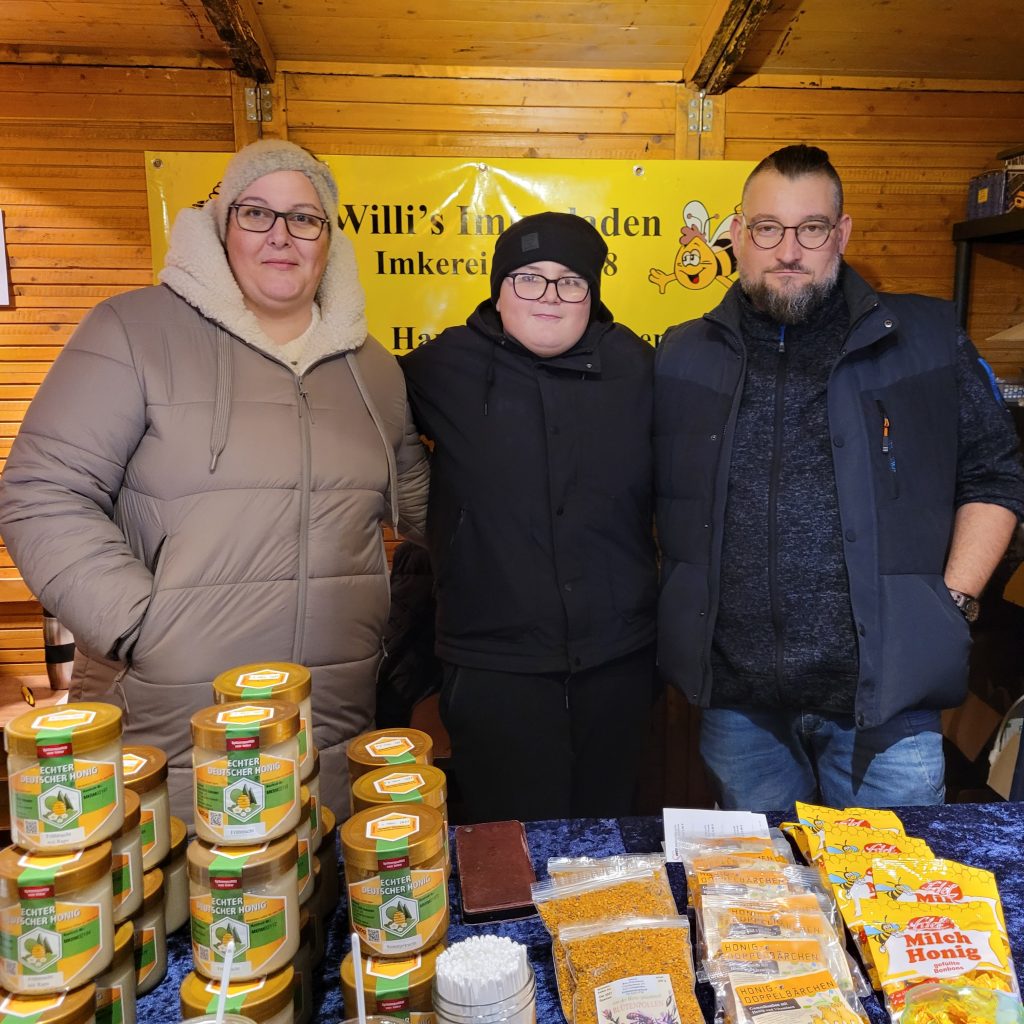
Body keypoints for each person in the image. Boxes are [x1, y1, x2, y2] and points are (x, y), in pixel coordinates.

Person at [0, 139, 428, 821]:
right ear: (222, 225)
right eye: (257, 213)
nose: (281, 236)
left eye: (304, 218)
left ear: (329, 240)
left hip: (330, 723)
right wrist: (138, 626)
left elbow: (422, 507)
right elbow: (42, 491)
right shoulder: (133, 332)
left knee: (313, 881)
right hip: (168, 726)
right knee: (172, 883)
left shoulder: (373, 368)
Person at [654, 144, 1024, 812]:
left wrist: (954, 598)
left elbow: (995, 476)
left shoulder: (927, 341)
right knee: (765, 880)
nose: (788, 251)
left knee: (891, 875)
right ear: (737, 234)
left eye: (812, 228)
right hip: (740, 706)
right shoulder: (684, 353)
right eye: (768, 228)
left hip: (888, 706)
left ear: (842, 233)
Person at [401, 212, 658, 823]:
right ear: (498, 289)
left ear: (592, 294)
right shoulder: (441, 367)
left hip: (617, 659)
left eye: (570, 281)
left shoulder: (638, 367)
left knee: (606, 840)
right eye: (528, 278)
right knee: (509, 844)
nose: (550, 296)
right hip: (494, 663)